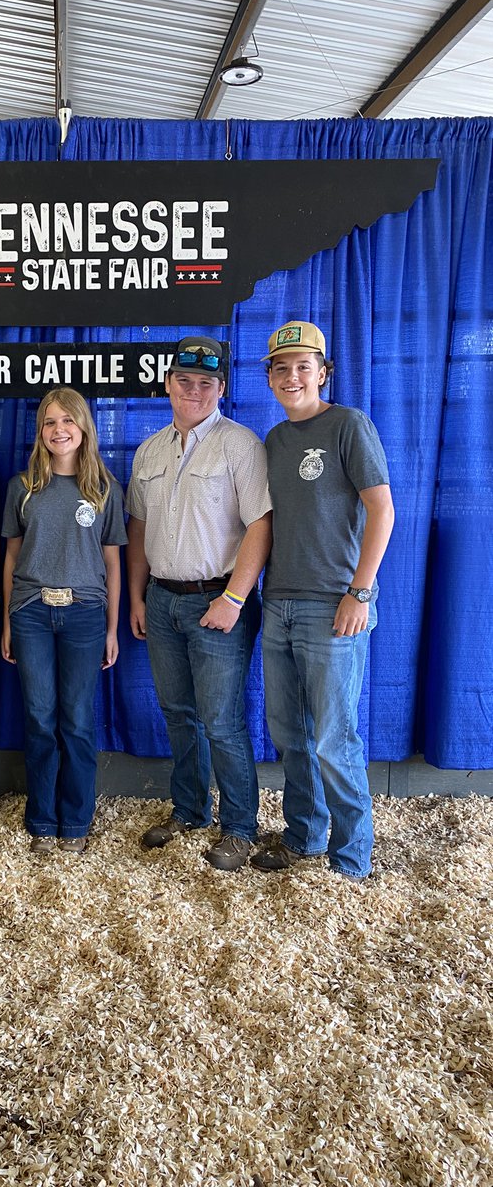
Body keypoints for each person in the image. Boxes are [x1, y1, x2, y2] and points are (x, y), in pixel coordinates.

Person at [251, 321, 394, 880]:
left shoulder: (348, 426)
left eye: (303, 366)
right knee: (290, 734)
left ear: (323, 372)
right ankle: (304, 835)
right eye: (281, 368)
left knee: (335, 738)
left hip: (334, 605)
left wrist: (360, 591)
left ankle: (352, 857)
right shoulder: (276, 440)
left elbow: (381, 510)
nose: (292, 376)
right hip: (279, 603)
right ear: (269, 378)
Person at [126, 336, 272, 871]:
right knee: (178, 715)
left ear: (221, 389)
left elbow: (262, 523)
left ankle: (238, 827)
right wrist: (140, 597)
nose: (193, 390)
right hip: (163, 601)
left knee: (221, 719)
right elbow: (138, 528)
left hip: (219, 601)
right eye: (184, 381)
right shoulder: (149, 450)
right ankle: (189, 810)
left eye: (205, 383)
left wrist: (235, 598)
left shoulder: (241, 445)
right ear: (168, 384)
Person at [1, 389, 127, 855]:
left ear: (84, 428)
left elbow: (112, 564)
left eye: (68, 421)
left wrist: (112, 628)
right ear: (40, 431)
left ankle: (75, 821)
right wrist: (11, 618)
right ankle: (41, 819)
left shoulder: (104, 489)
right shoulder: (23, 486)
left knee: (76, 719)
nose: (59, 430)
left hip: (85, 614)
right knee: (39, 717)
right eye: (50, 422)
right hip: (31, 611)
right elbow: (11, 554)